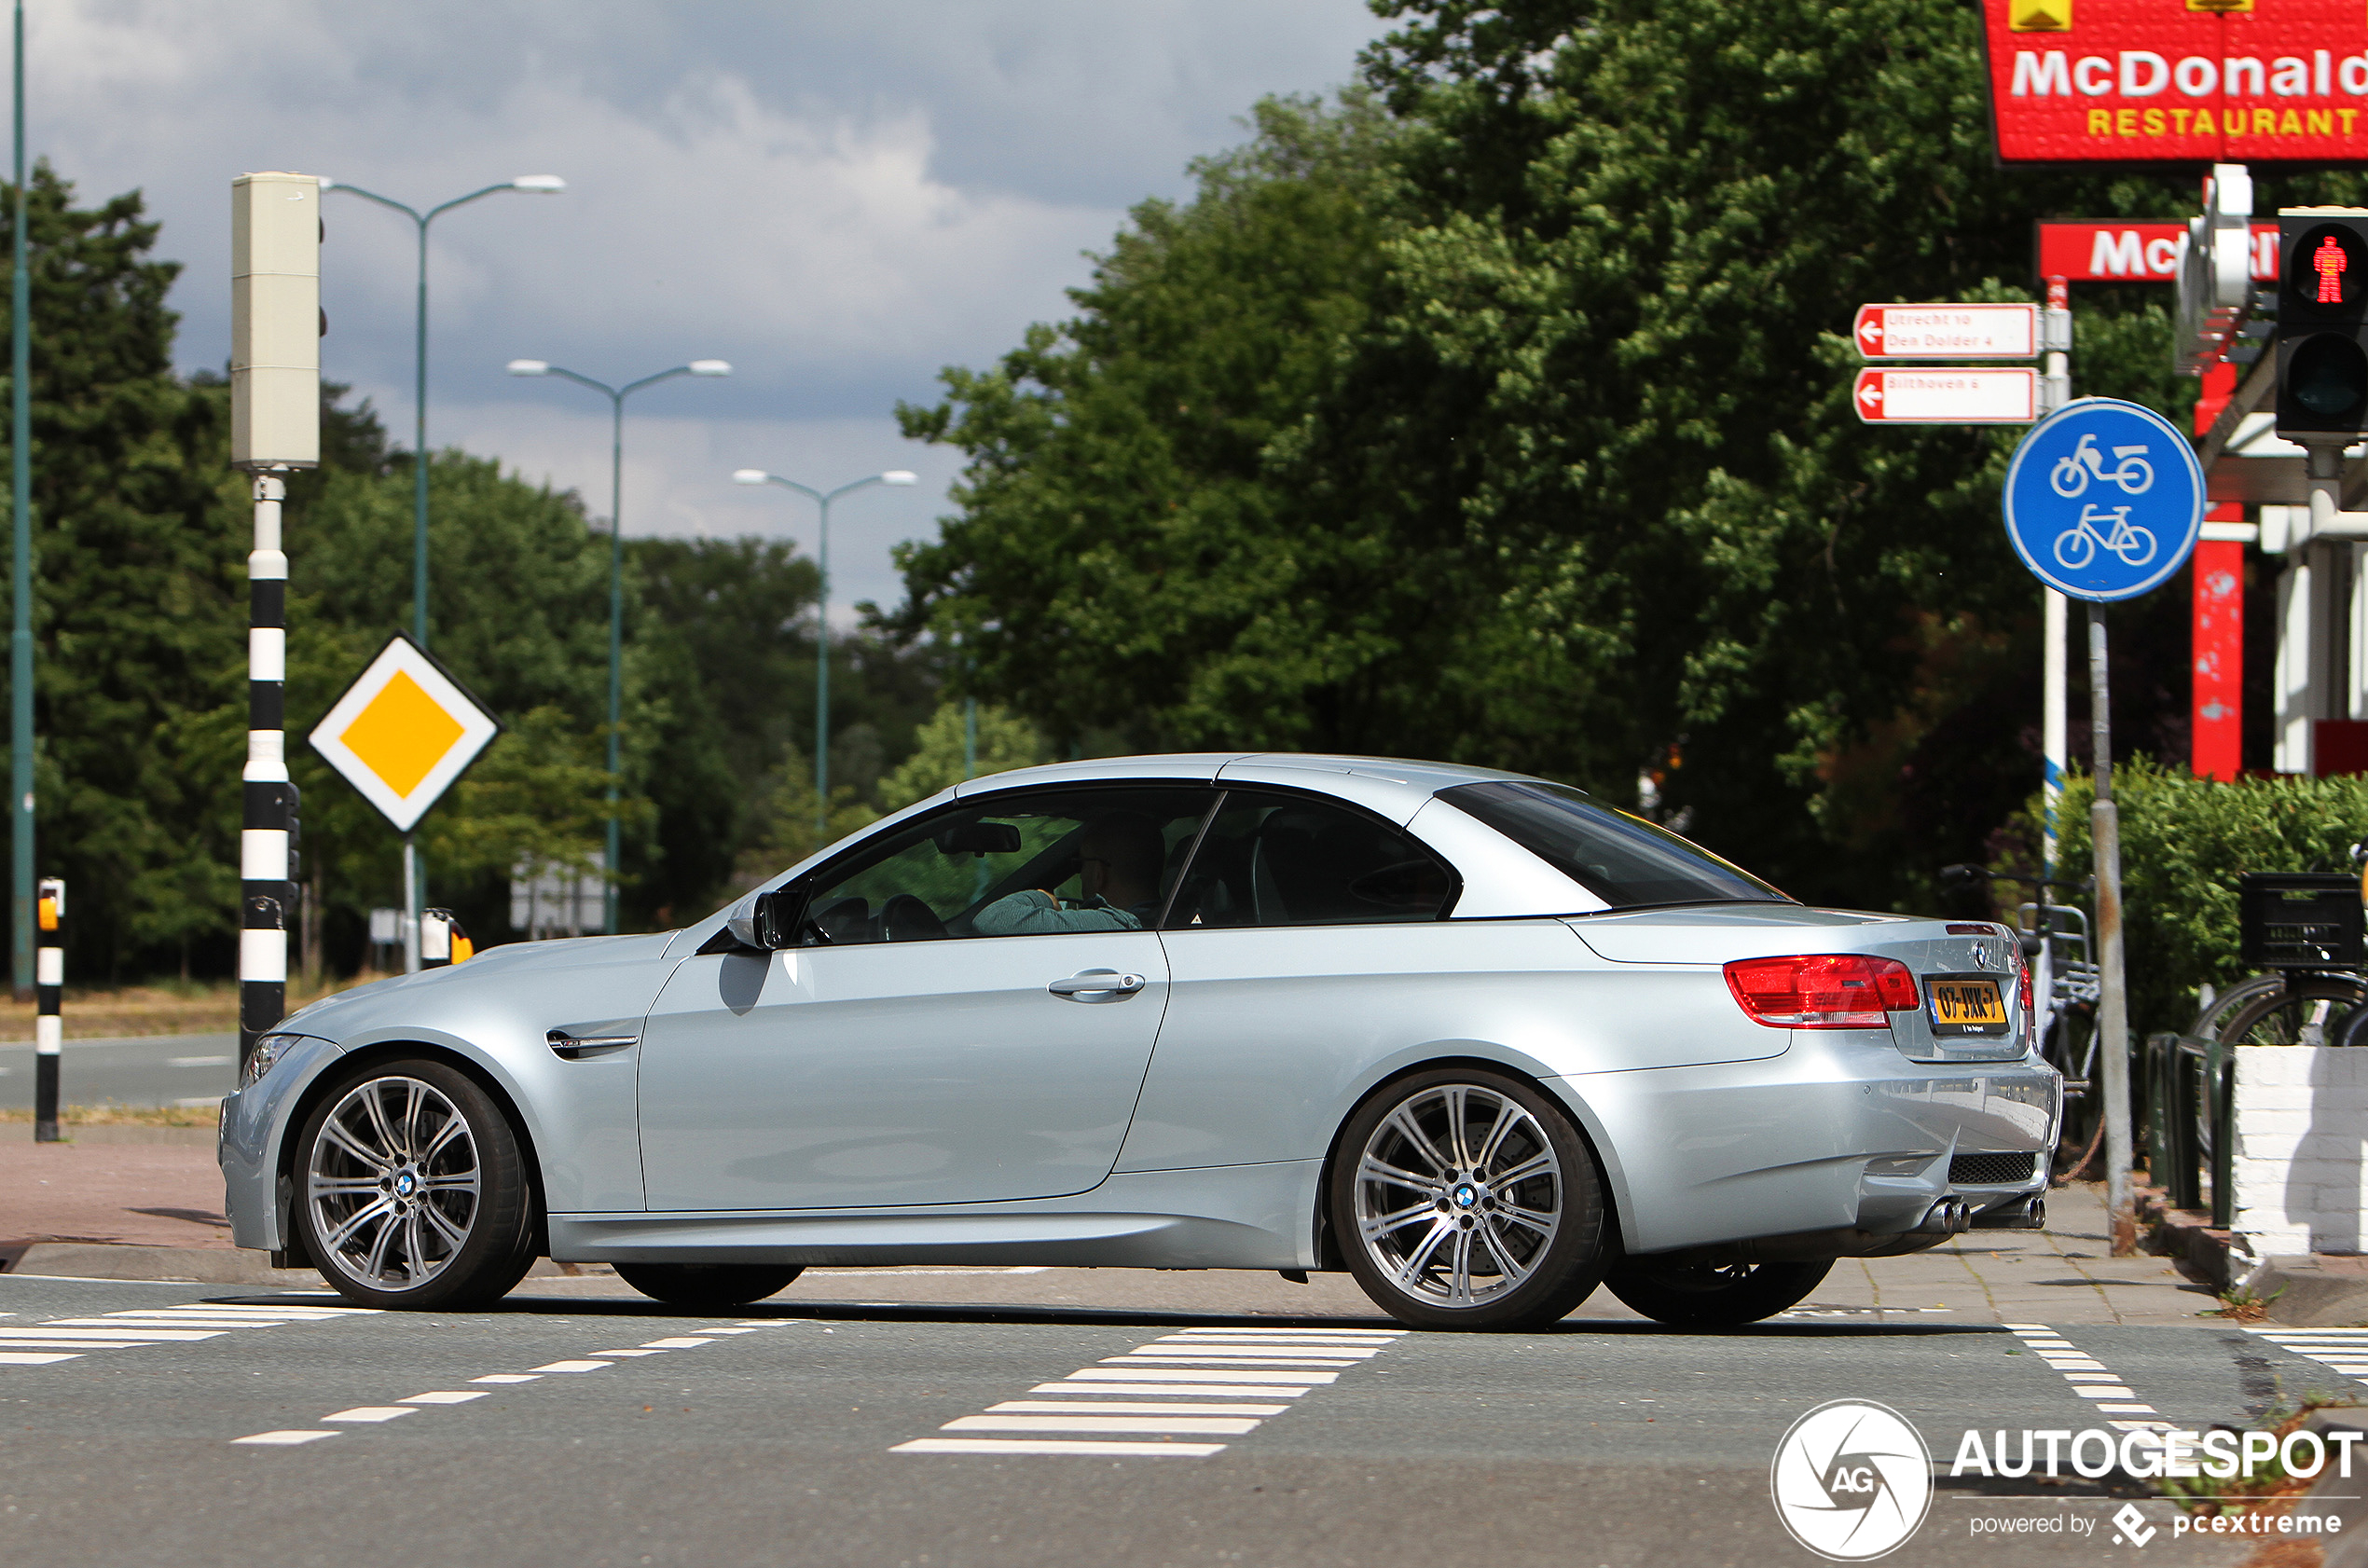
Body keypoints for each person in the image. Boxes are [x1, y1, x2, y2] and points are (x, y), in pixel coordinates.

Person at [972, 811, 1166, 935]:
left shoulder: (1108, 924)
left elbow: (992, 919)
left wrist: (1043, 898)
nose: (1080, 874)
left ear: (1099, 873)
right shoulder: (1170, 919)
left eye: (1081, 864)